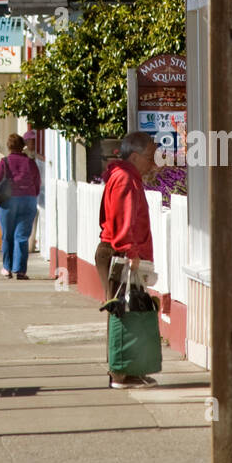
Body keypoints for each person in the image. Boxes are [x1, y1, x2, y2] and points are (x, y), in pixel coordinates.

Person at [95, 130, 159, 389]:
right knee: (122, 313)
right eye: (149, 157)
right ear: (134, 155)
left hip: (118, 251)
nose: (153, 163)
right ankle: (120, 373)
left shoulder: (124, 175)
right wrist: (131, 253)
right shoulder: (124, 178)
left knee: (128, 312)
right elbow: (123, 220)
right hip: (119, 252)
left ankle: (128, 369)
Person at [0, 132, 41, 279]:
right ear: (23, 146)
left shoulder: (4, 162)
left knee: (7, 235)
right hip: (28, 200)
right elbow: (37, 182)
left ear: (9, 146)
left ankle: (7, 267)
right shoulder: (30, 163)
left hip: (8, 201)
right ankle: (20, 270)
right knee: (22, 236)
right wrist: (32, 194)